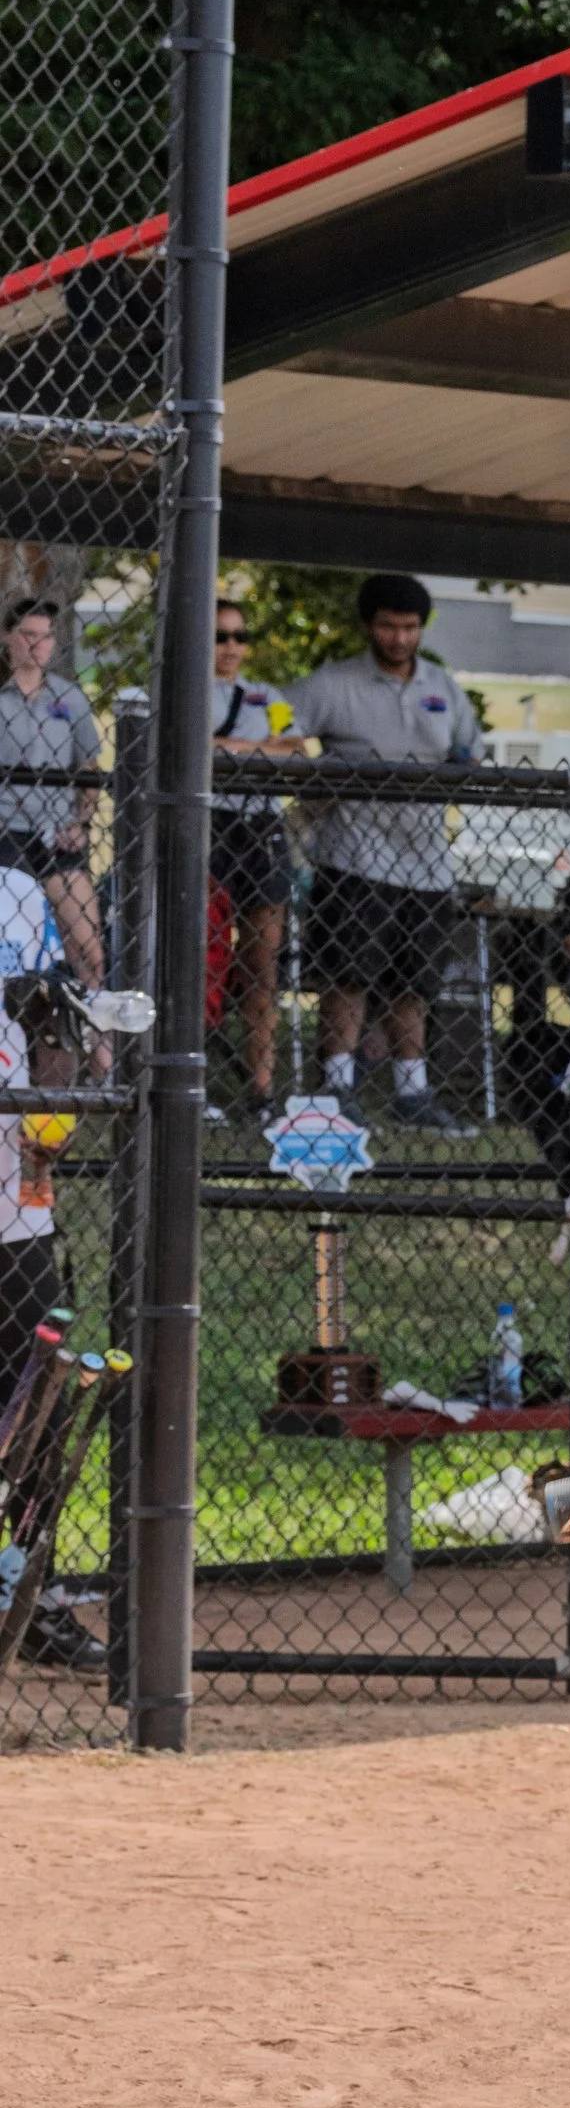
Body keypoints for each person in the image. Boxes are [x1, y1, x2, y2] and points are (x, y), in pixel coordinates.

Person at [281, 572, 480, 1134]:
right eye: (389, 627)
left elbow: (470, 749)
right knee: (347, 973)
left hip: (426, 861)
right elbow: (274, 711)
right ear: (370, 626)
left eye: (410, 628)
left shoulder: (443, 687)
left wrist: (464, 770)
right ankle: (337, 1084)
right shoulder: (334, 683)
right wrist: (302, 759)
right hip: (354, 856)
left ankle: (412, 1092)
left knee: (413, 981)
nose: (399, 639)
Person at [0, 873, 106, 1673]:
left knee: (39, 1413)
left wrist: (55, 1035)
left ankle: (24, 1596)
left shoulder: (18, 891)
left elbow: (49, 1076)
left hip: (16, 1214)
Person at [208, 598, 295, 1118]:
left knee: (263, 962)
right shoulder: (186, 691)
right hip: (209, 824)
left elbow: (298, 747)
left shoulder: (268, 696)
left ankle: (261, 1089)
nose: (231, 647)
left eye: (240, 636)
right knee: (203, 955)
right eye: (220, 636)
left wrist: (230, 748)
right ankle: (194, 1080)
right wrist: (260, 749)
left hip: (260, 827)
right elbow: (191, 748)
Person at [0, 601, 104, 986]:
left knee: (89, 951)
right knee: (12, 952)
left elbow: (89, 769)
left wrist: (82, 823)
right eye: (28, 634)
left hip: (56, 832)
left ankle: (99, 1041)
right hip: (6, 830)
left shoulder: (69, 697)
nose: (37, 645)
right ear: (7, 636)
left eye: (45, 637)